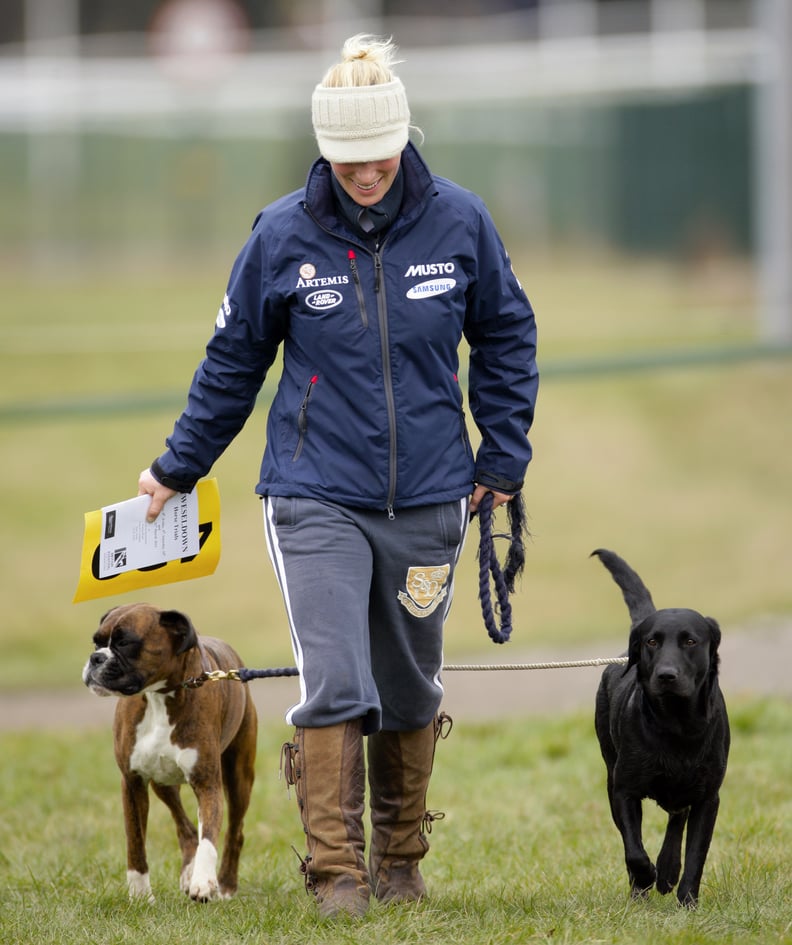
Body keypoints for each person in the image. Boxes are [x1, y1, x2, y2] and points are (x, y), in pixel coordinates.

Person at [138, 33, 539, 919]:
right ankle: (337, 872)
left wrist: (501, 455)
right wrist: (177, 467)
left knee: (408, 686)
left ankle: (399, 860)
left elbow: (508, 334)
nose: (366, 172)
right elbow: (233, 363)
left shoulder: (462, 221)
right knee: (335, 679)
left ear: (406, 137)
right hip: (313, 493)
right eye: (348, 158)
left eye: (381, 154)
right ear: (326, 149)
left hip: (434, 497)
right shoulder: (280, 234)